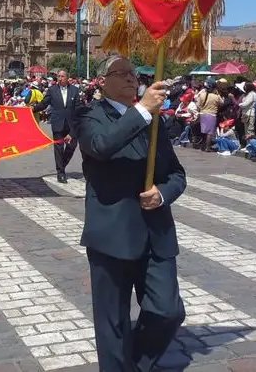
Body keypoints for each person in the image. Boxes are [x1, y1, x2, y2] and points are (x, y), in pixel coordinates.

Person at [73, 55, 186, 371]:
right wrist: (140, 111)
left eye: (133, 73)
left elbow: (177, 173)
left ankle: (135, 361)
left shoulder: (156, 121)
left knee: (168, 310)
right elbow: (101, 146)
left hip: (155, 232)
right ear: (102, 82)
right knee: (113, 323)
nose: (129, 78)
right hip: (113, 233)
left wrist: (163, 193)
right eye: (119, 73)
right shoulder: (89, 115)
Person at [32, 69, 81, 183]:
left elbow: (78, 109)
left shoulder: (74, 90)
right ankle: (61, 172)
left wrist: (73, 129)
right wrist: (33, 109)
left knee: (72, 146)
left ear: (67, 77)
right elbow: (44, 103)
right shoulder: (52, 90)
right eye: (58, 76)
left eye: (62, 76)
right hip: (58, 123)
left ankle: (61, 165)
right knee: (58, 149)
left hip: (71, 124)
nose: (60, 78)